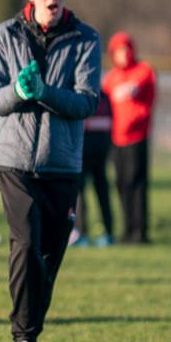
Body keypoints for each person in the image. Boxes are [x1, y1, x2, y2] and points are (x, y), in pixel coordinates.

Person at [0, 0, 101, 342]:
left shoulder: (85, 38)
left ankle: (29, 339)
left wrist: (43, 91)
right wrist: (18, 90)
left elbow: (87, 101)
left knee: (49, 257)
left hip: (62, 163)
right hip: (13, 160)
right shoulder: (4, 35)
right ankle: (23, 341)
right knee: (26, 242)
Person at [102, 32, 156, 244]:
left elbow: (136, 89)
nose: (122, 55)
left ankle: (139, 231)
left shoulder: (144, 71)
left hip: (137, 137)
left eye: (125, 50)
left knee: (137, 184)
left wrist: (127, 90)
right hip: (116, 139)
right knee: (122, 183)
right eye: (118, 51)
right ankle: (126, 230)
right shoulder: (112, 77)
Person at [69, 92, 114, 247]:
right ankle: (104, 232)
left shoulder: (87, 95)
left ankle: (84, 233)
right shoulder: (103, 96)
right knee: (98, 191)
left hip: (89, 150)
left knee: (86, 191)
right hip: (98, 148)